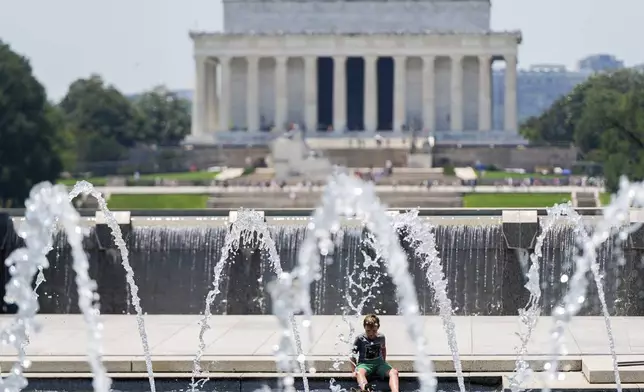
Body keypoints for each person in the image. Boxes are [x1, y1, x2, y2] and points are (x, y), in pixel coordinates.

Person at [349, 314, 400, 392]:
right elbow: (352, 355)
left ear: (378, 328)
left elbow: (383, 348)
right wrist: (353, 371)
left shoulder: (381, 337)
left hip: (379, 363)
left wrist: (383, 361)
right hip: (364, 364)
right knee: (359, 373)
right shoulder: (359, 339)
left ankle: (395, 390)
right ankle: (366, 390)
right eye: (368, 331)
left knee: (394, 372)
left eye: (374, 331)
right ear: (364, 328)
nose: (371, 333)